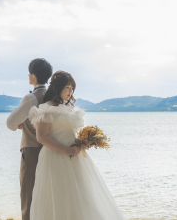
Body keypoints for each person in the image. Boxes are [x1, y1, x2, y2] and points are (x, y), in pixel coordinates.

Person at [28, 71, 125, 220]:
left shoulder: (68, 108)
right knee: (60, 197)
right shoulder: (46, 109)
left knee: (83, 196)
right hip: (55, 158)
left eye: (72, 88)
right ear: (57, 87)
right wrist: (67, 150)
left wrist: (85, 142)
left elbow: (70, 133)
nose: (70, 92)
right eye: (67, 87)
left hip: (76, 157)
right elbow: (42, 137)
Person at [6, 58, 54, 220]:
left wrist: (21, 123)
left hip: (32, 151)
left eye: (29, 73)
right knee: (48, 194)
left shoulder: (31, 98)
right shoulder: (53, 97)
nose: (28, 75)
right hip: (52, 150)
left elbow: (10, 123)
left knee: (28, 194)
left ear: (33, 76)